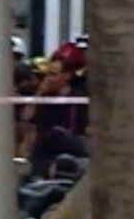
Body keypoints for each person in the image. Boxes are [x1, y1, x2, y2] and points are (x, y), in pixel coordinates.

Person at [23, 42, 89, 176]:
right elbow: (27, 117)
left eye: (53, 74)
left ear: (67, 76)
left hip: (70, 152)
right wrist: (40, 92)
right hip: (43, 153)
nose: (48, 79)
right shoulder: (44, 99)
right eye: (47, 74)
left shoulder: (78, 99)